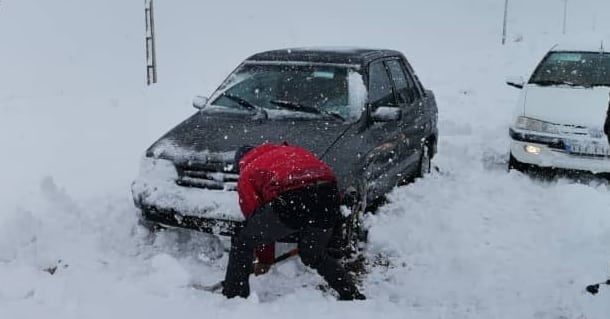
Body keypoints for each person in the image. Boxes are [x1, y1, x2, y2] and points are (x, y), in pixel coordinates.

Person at [222, 143, 365, 301]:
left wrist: (264, 260)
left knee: (243, 240)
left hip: (294, 197)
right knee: (313, 253)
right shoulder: (288, 152)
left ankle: (234, 298)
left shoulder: (248, 171)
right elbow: (324, 175)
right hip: (329, 195)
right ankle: (351, 294)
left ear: (239, 163)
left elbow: (255, 219)